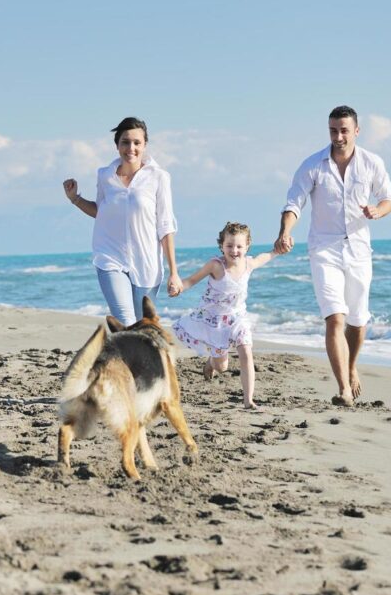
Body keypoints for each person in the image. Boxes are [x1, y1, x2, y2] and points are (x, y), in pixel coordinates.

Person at [274, 105, 391, 407]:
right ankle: (343, 388)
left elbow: (388, 198)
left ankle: (351, 367)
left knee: (357, 321)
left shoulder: (371, 163)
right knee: (334, 319)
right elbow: (294, 203)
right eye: (333, 130)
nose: (338, 136)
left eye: (344, 130)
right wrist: (285, 232)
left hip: (358, 249)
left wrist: (378, 211)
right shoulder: (312, 165)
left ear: (356, 130)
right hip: (324, 249)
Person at [62, 117, 183, 326]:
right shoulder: (105, 175)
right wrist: (74, 198)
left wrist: (174, 272)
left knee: (143, 326)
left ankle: (136, 359)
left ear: (145, 145)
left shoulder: (159, 177)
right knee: (125, 322)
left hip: (146, 263)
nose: (131, 148)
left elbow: (166, 226)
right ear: (117, 145)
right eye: (125, 142)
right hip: (110, 256)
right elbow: (100, 211)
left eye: (137, 142)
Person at [171, 222, 277, 410]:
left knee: (246, 350)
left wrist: (278, 250)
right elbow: (192, 280)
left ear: (247, 246)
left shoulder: (248, 264)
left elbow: (265, 257)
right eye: (229, 246)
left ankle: (248, 399)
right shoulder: (215, 265)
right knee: (222, 367)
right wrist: (179, 287)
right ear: (222, 245)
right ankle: (211, 362)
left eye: (239, 246)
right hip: (214, 321)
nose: (234, 250)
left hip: (238, 318)